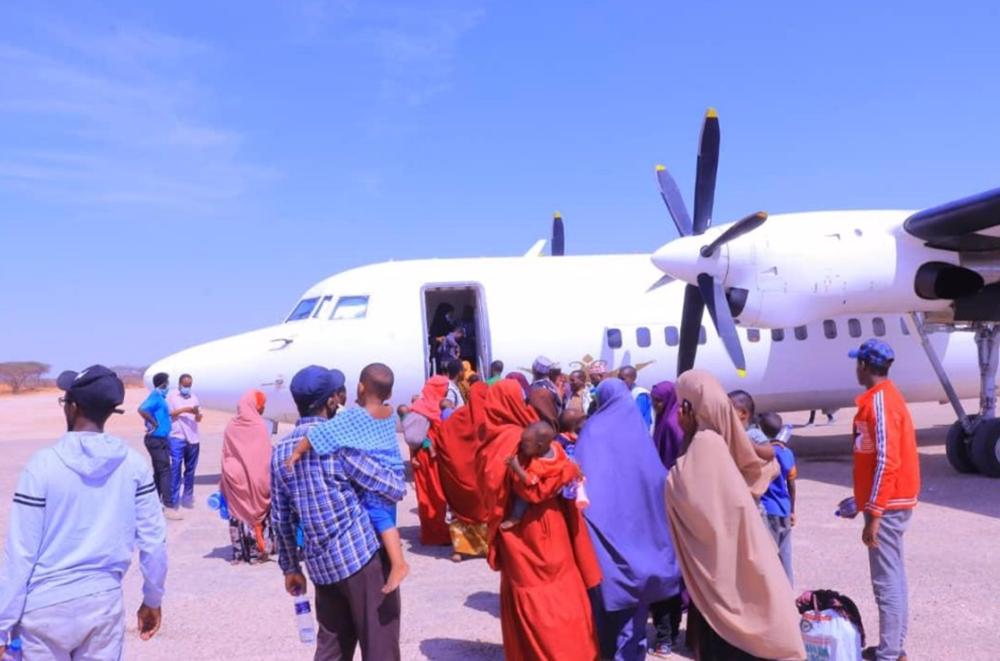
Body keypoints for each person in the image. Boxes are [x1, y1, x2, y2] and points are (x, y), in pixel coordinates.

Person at [0, 365, 166, 658]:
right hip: (103, 605)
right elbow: (154, 542)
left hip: (43, 611)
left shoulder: (42, 466)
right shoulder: (134, 466)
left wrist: (3, 625)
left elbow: (20, 553)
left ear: (73, 407)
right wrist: (152, 599)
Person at [668, 369, 804, 661]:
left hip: (720, 569)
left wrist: (687, 435)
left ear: (693, 407)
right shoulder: (721, 441)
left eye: (683, 404)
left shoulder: (705, 445)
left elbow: (681, 489)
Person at [272, 365, 405, 660]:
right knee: (380, 648)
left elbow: (281, 519)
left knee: (332, 650)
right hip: (362, 558)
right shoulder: (338, 441)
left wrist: (291, 568)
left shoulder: (280, 452)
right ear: (331, 401)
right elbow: (392, 487)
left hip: (322, 567)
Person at [477, 380, 601, 660]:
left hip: (520, 535)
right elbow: (554, 474)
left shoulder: (495, 443)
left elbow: (495, 489)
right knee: (560, 588)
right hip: (551, 522)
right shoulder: (527, 435)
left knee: (531, 592)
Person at [576, 378, 683, 659]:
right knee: (636, 603)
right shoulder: (638, 431)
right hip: (641, 534)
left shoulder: (592, 430)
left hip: (603, 534)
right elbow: (657, 480)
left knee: (607, 599)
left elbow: (581, 480)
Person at [288, 364, 409, 593]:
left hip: (334, 562)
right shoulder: (388, 412)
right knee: (386, 519)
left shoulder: (351, 421)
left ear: (360, 388)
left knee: (379, 517)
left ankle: (399, 563)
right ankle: (393, 559)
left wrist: (298, 451)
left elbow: (321, 434)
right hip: (393, 474)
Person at [847, 340, 920, 661]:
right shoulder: (884, 398)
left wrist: (874, 513)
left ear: (864, 366)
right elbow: (871, 457)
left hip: (888, 505)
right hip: (890, 500)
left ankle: (889, 654)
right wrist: (860, 499)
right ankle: (894, 647)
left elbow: (886, 461)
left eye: (857, 364)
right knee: (895, 577)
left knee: (886, 583)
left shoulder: (880, 402)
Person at [648, 381, 687, 657]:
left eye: (658, 401)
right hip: (662, 505)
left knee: (666, 573)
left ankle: (666, 636)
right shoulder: (665, 422)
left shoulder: (673, 427)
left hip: (670, 508)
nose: (654, 405)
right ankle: (669, 633)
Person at [433, 380, 491, 562]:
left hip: (459, 476)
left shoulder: (457, 417)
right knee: (486, 508)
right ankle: (488, 547)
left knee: (460, 509)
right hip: (483, 477)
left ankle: (460, 550)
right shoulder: (492, 418)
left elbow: (442, 437)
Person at [221, 390, 275, 564]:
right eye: (261, 405)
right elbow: (265, 456)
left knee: (238, 514)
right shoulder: (259, 426)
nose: (263, 408)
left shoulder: (231, 426)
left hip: (235, 479)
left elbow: (226, 454)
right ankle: (257, 553)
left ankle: (239, 553)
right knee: (257, 513)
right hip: (257, 479)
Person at [402, 376, 452, 545]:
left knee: (429, 494)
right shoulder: (431, 408)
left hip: (425, 457)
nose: (445, 392)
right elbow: (417, 435)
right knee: (435, 495)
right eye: (444, 389)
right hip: (429, 458)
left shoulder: (419, 406)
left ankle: (432, 530)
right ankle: (435, 534)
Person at [758, 412, 798, 584]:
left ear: (760, 430)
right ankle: (788, 590)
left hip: (768, 509)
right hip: (784, 508)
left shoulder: (763, 453)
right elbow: (792, 484)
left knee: (769, 555)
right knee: (785, 554)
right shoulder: (787, 452)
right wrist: (792, 510)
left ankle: (774, 591)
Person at [138, 371, 180, 518]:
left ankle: (153, 503)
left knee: (159, 471)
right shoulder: (155, 397)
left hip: (161, 439)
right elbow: (142, 409)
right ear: (163, 384)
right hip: (156, 440)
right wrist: (154, 423)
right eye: (167, 384)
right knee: (165, 471)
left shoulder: (160, 398)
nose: (168, 386)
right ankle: (169, 506)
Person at [166, 373, 202, 510]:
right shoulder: (172, 396)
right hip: (177, 437)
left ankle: (187, 498)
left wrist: (197, 414)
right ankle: (174, 500)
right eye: (185, 385)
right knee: (175, 468)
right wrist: (185, 410)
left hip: (193, 438)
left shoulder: (194, 397)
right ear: (180, 384)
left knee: (190, 470)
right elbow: (169, 414)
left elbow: (199, 418)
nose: (187, 388)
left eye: (189, 385)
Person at [729, 389, 777, 460]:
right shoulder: (729, 432)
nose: (724, 413)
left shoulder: (753, 433)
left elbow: (770, 452)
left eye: (728, 410)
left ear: (743, 413)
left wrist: (752, 446)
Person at [619, 365, 653, 433]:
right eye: (619, 379)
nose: (620, 382)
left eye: (623, 379)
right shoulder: (624, 392)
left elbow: (636, 417)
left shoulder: (640, 394)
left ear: (633, 379)